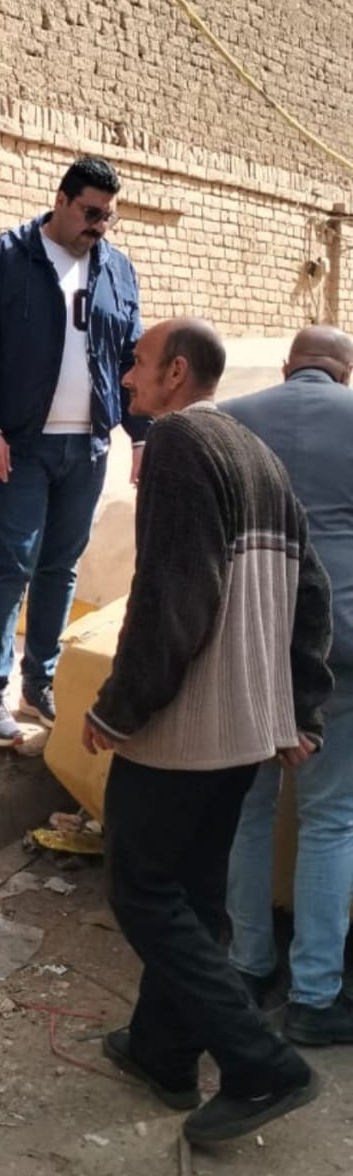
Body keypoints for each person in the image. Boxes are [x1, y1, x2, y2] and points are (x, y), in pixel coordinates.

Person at [83, 318, 332, 1146]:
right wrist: (298, 708)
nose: (127, 378)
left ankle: (263, 1064)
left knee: (141, 890)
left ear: (176, 373)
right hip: (245, 733)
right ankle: (163, 1052)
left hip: (183, 731)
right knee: (190, 894)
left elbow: (172, 598)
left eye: (138, 364)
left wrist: (119, 707)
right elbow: (314, 592)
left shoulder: (180, 442)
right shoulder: (257, 452)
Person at [0, 155, 146, 749]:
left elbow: (131, 357)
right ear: (60, 200)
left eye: (108, 217)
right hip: (20, 442)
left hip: (88, 445)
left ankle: (39, 684)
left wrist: (141, 436)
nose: (98, 226)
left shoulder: (116, 268)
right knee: (13, 561)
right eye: (90, 212)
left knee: (62, 565)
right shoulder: (6, 258)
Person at [223, 325, 353, 1043]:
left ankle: (246, 966)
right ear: (345, 373)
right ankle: (314, 997)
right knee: (330, 818)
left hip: (250, 642)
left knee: (248, 810)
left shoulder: (232, 421)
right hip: (339, 647)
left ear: (287, 367)